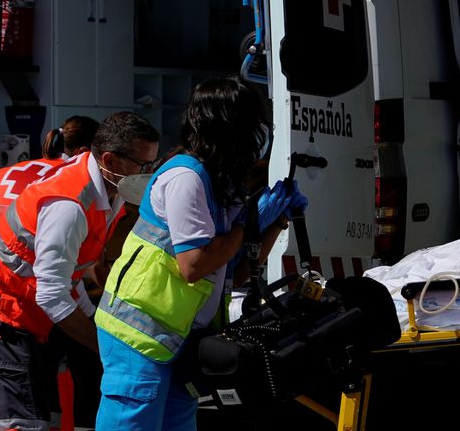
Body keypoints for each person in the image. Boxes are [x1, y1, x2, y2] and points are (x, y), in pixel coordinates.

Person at [93, 76, 308, 431]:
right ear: (230, 128)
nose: (259, 135)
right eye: (252, 124)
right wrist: (245, 226)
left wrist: (274, 223)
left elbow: (235, 272)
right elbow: (193, 265)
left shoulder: (221, 183)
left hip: (180, 339)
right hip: (140, 336)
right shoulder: (186, 178)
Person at [0, 111, 160, 430]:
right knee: (20, 421)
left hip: (26, 307)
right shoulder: (69, 205)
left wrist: (98, 325)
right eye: (143, 166)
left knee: (47, 415)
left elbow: (69, 278)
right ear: (110, 159)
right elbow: (53, 293)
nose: (148, 174)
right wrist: (102, 344)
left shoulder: (110, 192)